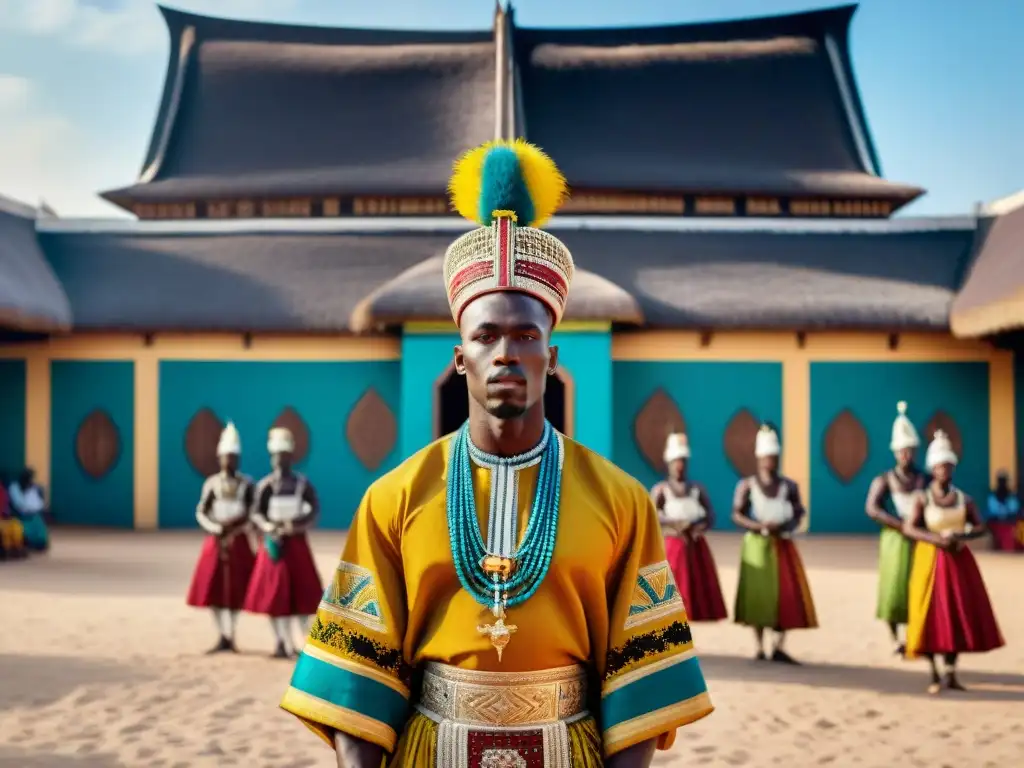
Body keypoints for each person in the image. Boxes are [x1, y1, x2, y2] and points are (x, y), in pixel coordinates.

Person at [280, 139, 712, 768]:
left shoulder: (621, 501)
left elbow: (640, 686)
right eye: (485, 335)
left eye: (526, 335)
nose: (506, 352)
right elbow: (356, 683)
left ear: (551, 358)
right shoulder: (394, 497)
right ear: (460, 359)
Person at [904, 430, 1005, 693]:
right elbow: (909, 528)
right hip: (930, 562)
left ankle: (951, 671)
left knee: (957, 614)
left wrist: (962, 535)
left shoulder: (964, 499)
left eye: (948, 465)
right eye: (939, 465)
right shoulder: (922, 498)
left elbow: (982, 527)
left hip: (958, 563)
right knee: (927, 614)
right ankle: (934, 673)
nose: (944, 470)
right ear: (932, 468)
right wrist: (934, 539)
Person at [732, 425, 817, 664]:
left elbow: (799, 512)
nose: (770, 460)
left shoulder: (788, 486)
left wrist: (785, 525)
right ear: (759, 458)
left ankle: (778, 645)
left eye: (773, 456)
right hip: (757, 546)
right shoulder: (747, 485)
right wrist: (759, 526)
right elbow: (737, 514)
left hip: (782, 544)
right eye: (766, 456)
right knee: (759, 596)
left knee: (785, 595)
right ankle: (759, 646)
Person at [244, 426, 323, 658]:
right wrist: (270, 527)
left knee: (302, 594)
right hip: (273, 545)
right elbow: (256, 513)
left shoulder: (301, 484)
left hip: (297, 545)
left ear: (291, 457)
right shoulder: (266, 485)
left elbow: (314, 509)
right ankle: (280, 641)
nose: (280, 460)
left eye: (284, 455)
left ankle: (303, 642)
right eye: (277, 456)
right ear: (272, 458)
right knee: (275, 595)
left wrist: (295, 526)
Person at [185, 422, 257, 653]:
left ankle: (231, 632)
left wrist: (235, 528)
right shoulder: (212, 483)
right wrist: (214, 527)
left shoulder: (247, 484)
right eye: (226, 456)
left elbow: (252, 512)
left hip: (238, 541)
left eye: (234, 457)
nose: (230, 461)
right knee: (213, 586)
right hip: (215, 541)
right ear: (219, 458)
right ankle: (221, 634)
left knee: (237, 589)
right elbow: (201, 511)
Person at [864, 401, 927, 654]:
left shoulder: (925, 479)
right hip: (895, 539)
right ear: (895, 452)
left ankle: (918, 633)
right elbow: (872, 508)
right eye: (902, 450)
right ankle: (895, 638)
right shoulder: (885, 479)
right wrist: (898, 524)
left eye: (910, 450)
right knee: (894, 587)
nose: (906, 455)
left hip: (921, 537)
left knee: (919, 584)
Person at [651, 432, 727, 622]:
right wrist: (674, 523)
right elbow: (652, 516)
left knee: (696, 587)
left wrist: (696, 527)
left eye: (683, 461)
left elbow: (710, 516)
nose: (679, 466)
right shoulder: (661, 490)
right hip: (672, 545)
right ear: (669, 462)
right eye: (676, 461)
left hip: (694, 546)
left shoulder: (697, 489)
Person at [8, 467, 49, 552]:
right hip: (19, 515)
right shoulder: (14, 487)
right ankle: (26, 542)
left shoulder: (34, 488)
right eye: (28, 478)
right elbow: (19, 504)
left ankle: (39, 542)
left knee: (38, 522)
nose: (30, 481)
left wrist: (35, 492)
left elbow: (39, 505)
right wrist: (26, 493)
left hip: (33, 514)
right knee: (23, 527)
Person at [984, 470, 1021, 552]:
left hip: (1009, 525)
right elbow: (991, 513)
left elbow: (1014, 511)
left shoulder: (1011, 497)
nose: (1002, 483)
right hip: (996, 525)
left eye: (1004, 480)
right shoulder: (992, 497)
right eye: (1001, 480)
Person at [0, 472, 27, 560]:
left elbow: (5, 508)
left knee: (16, 525)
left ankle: (15, 548)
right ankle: (6, 549)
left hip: (3, 518)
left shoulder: (2, 490)